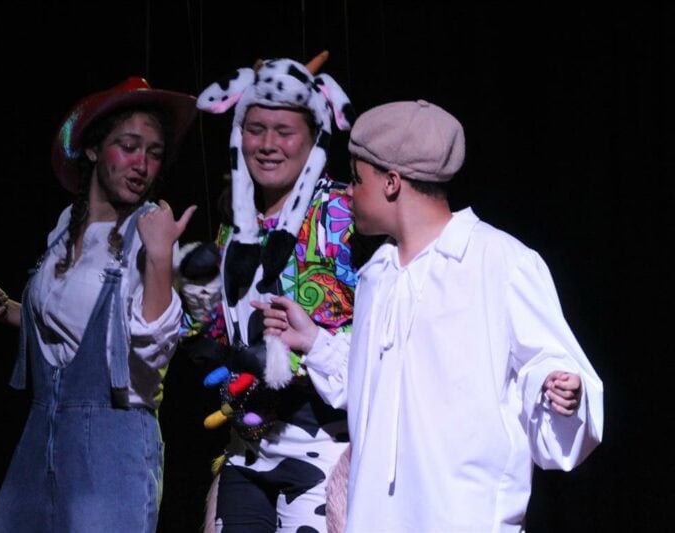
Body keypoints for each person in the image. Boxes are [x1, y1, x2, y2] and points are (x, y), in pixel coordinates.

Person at [257, 100, 604, 531]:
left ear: (391, 183)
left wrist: (560, 389)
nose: (349, 192)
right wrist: (314, 341)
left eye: (357, 179)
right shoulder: (377, 275)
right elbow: (377, 392)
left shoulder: (499, 261)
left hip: (461, 516)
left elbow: (549, 363)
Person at [0, 76, 197, 532]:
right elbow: (78, 322)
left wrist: (159, 259)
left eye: (154, 153)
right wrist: (14, 310)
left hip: (112, 446)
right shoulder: (65, 229)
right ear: (93, 149)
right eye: (128, 147)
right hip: (41, 436)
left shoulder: (149, 231)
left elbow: (150, 352)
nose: (141, 164)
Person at [179, 52, 358, 532]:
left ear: (314, 138)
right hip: (248, 447)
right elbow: (218, 337)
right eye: (256, 129)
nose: (267, 144)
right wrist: (189, 293)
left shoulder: (345, 213)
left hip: (326, 446)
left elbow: (384, 331)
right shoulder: (237, 229)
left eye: (284, 131)